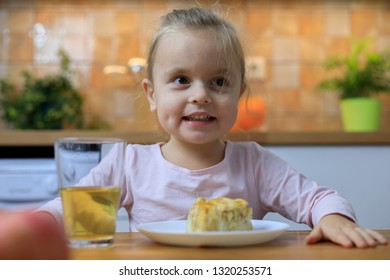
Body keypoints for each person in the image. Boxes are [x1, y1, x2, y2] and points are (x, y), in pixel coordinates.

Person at [38, 6, 386, 248]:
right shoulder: (128, 164)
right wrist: (29, 228)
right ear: (152, 94)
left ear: (240, 94)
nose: (200, 96)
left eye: (219, 81)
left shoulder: (254, 163)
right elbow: (66, 213)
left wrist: (335, 218)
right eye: (181, 80)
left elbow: (320, 199)